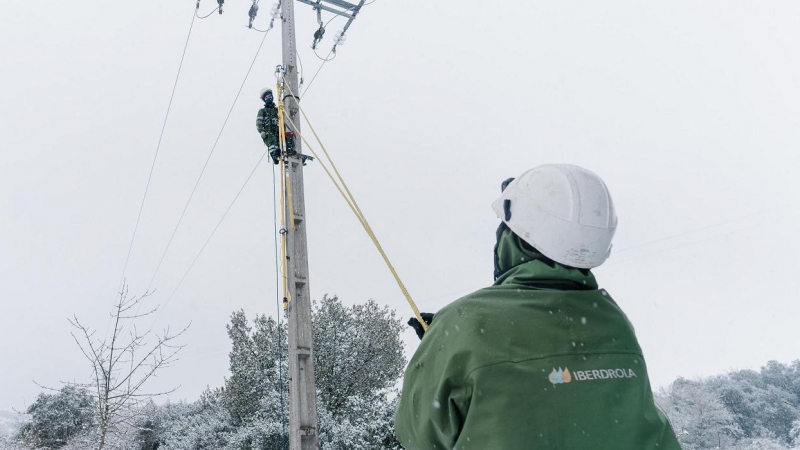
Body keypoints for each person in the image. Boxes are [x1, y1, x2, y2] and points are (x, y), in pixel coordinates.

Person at [395, 164, 681, 449]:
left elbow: (418, 435)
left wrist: (442, 349)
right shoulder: (614, 321)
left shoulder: (464, 321)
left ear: (514, 237)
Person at [256, 88, 281, 164]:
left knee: (280, 141)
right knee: (271, 139)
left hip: (278, 129)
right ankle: (274, 154)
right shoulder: (263, 111)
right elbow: (258, 122)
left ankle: (282, 152)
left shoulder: (277, 110)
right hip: (268, 130)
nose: (269, 98)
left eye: (270, 96)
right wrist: (261, 131)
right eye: (266, 97)